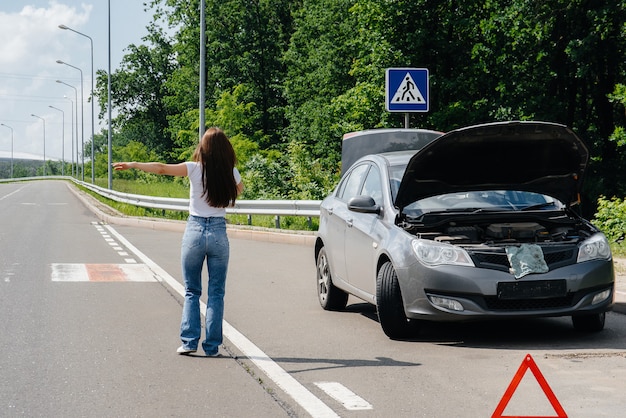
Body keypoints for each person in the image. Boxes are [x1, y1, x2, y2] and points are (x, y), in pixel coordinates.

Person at [113, 127, 243, 357]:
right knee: (216, 292)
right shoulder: (232, 173)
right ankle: (212, 347)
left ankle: (189, 342)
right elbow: (235, 196)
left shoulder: (193, 169)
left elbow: (162, 168)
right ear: (226, 149)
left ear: (203, 148)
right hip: (218, 233)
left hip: (194, 231)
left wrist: (133, 164)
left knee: (192, 290)